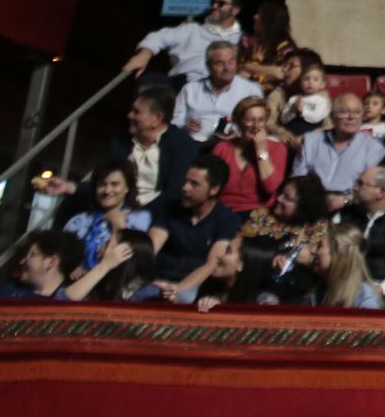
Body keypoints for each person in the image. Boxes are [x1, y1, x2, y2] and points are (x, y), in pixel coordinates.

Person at [38, 90, 199, 226]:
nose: (129, 115)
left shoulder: (182, 146)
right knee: (70, 205)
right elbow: (103, 180)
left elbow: (174, 192)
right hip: (116, 205)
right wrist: (69, 187)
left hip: (156, 214)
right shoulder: (120, 143)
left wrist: (138, 213)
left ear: (156, 118)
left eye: (136, 112)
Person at [149, 157, 242, 299]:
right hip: (159, 278)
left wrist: (176, 290)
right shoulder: (169, 207)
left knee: (186, 298)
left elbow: (212, 263)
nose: (185, 188)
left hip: (194, 285)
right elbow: (151, 248)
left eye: (194, 184)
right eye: (186, 181)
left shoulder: (227, 219)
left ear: (214, 189)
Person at [122, 0, 243, 87]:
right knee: (149, 82)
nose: (214, 6)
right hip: (181, 83)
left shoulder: (241, 41)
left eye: (221, 3)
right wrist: (144, 54)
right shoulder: (192, 29)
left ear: (235, 10)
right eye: (213, 2)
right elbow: (158, 37)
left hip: (215, 91)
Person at [239, 174, 332, 296]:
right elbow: (242, 246)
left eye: (287, 198)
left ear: (303, 206)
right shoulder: (261, 215)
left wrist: (309, 259)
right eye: (281, 193)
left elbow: (325, 266)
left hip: (295, 290)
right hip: (255, 279)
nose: (279, 199)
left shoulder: (318, 228)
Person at [292, 93, 385, 209]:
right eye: (344, 112)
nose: (351, 117)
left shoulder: (373, 148)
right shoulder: (310, 140)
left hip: (350, 208)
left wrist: (346, 200)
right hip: (310, 203)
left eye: (357, 112)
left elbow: (371, 189)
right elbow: (297, 178)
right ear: (332, 116)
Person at [61, 161, 154, 270]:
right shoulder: (80, 220)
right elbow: (62, 255)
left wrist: (119, 227)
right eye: (102, 184)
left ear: (127, 187)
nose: (107, 190)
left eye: (114, 184)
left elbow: (135, 260)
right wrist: (74, 266)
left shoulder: (139, 218)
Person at [332, 165, 385, 286]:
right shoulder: (346, 213)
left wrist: (382, 289)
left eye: (361, 184)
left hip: (381, 286)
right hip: (342, 281)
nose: (355, 188)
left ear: (381, 192)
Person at [170, 41, 264, 140]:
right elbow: (173, 121)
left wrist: (238, 133)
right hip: (193, 143)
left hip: (234, 145)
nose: (227, 68)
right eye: (220, 64)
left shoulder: (250, 91)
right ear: (208, 66)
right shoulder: (190, 89)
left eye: (230, 62)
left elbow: (258, 123)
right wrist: (184, 125)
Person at [217, 97, 286, 217]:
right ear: (239, 122)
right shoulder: (222, 148)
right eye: (250, 120)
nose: (256, 126)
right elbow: (212, 188)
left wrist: (261, 150)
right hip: (225, 211)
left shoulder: (278, 149)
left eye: (261, 120)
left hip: (260, 213)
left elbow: (271, 187)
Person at [63, 230, 160, 303]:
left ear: (124, 254)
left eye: (107, 244)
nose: (99, 250)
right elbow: (63, 301)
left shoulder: (148, 293)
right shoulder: (99, 283)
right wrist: (101, 269)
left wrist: (104, 266)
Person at [0, 231, 81, 299]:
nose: (22, 262)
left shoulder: (71, 304)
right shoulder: (8, 290)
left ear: (51, 262)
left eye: (31, 255)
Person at [238, 1, 300, 90]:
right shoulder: (247, 40)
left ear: (270, 20)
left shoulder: (285, 47)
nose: (254, 17)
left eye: (259, 14)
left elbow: (281, 73)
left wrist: (248, 67)